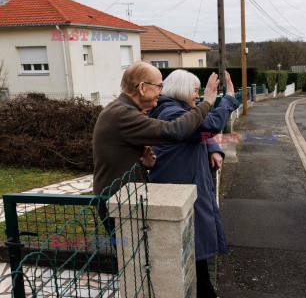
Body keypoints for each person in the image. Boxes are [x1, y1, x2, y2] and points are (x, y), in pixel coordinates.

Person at [92, 62, 220, 229]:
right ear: (142, 87)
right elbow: (175, 131)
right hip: (118, 204)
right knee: (130, 254)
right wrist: (207, 103)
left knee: (132, 253)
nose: (161, 92)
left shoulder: (123, 110)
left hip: (123, 201)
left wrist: (144, 166)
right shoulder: (123, 115)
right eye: (159, 86)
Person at [148, 70, 239, 298]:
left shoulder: (178, 110)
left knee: (197, 258)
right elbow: (205, 127)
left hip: (188, 189)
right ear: (181, 89)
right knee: (193, 255)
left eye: (200, 91)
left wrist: (213, 149)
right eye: (195, 90)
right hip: (180, 194)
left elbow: (199, 133)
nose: (198, 96)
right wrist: (225, 98)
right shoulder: (170, 112)